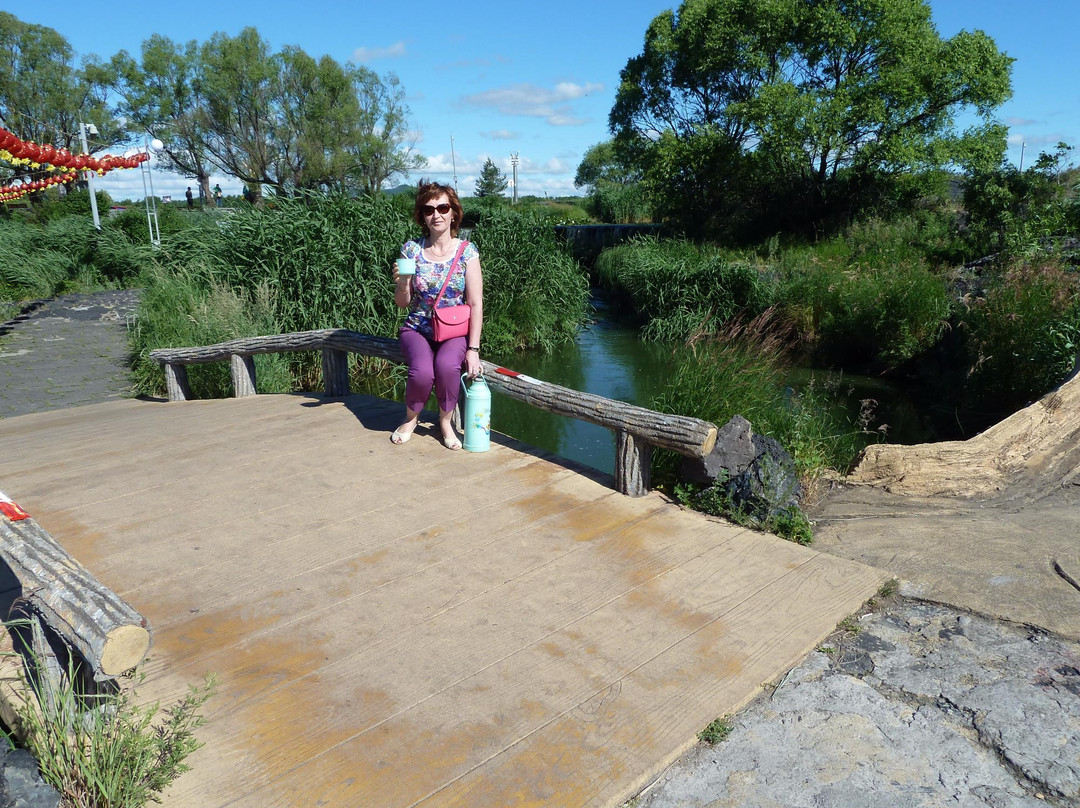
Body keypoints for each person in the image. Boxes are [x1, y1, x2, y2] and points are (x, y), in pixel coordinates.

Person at [391, 180, 483, 450]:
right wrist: (402, 283)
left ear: (453, 212)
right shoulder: (412, 250)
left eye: (443, 207)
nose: (436, 215)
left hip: (453, 331)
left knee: (446, 367)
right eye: (429, 210)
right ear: (422, 216)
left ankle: (445, 421)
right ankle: (412, 418)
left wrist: (473, 349)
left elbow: (476, 304)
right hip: (417, 328)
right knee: (421, 372)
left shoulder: (467, 252)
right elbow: (402, 303)